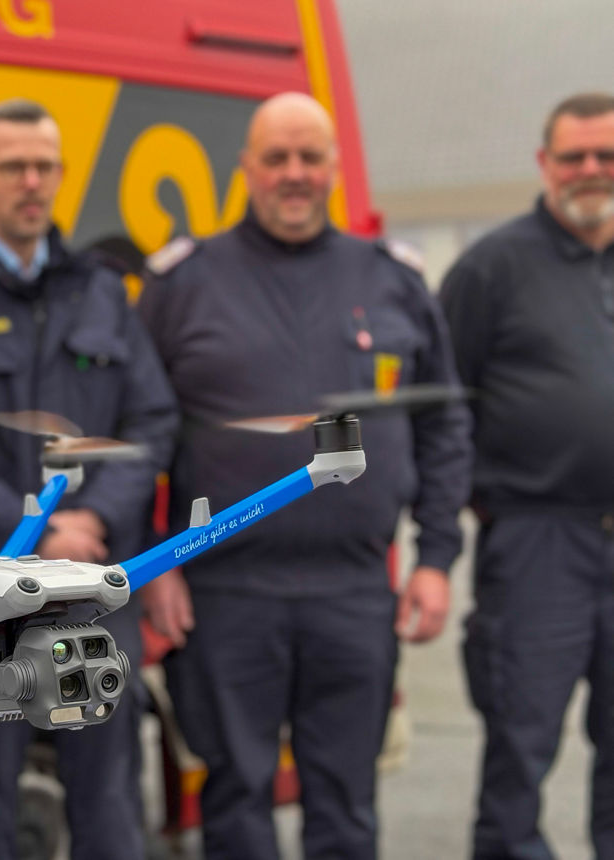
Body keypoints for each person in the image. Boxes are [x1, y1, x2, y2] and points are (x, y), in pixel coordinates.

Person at [137, 92, 472, 860]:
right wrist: (154, 563)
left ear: (334, 168)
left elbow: (444, 426)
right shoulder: (183, 283)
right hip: (226, 592)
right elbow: (139, 430)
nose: (294, 174)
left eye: (310, 157)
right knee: (235, 801)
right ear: (247, 168)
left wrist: (438, 560)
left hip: (354, 591)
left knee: (347, 805)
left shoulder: (393, 280)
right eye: (277, 158)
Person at [0, 98, 178, 860]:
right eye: (13, 166)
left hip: (90, 591)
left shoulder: (102, 293)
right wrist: (44, 529)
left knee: (108, 802)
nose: (31, 182)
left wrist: (95, 526)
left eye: (44, 167)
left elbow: (150, 424)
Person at [439, 91, 614, 860]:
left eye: (606, 156)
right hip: (540, 542)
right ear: (544, 163)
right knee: (521, 746)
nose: (590, 170)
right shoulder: (491, 269)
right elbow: (445, 412)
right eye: (573, 156)